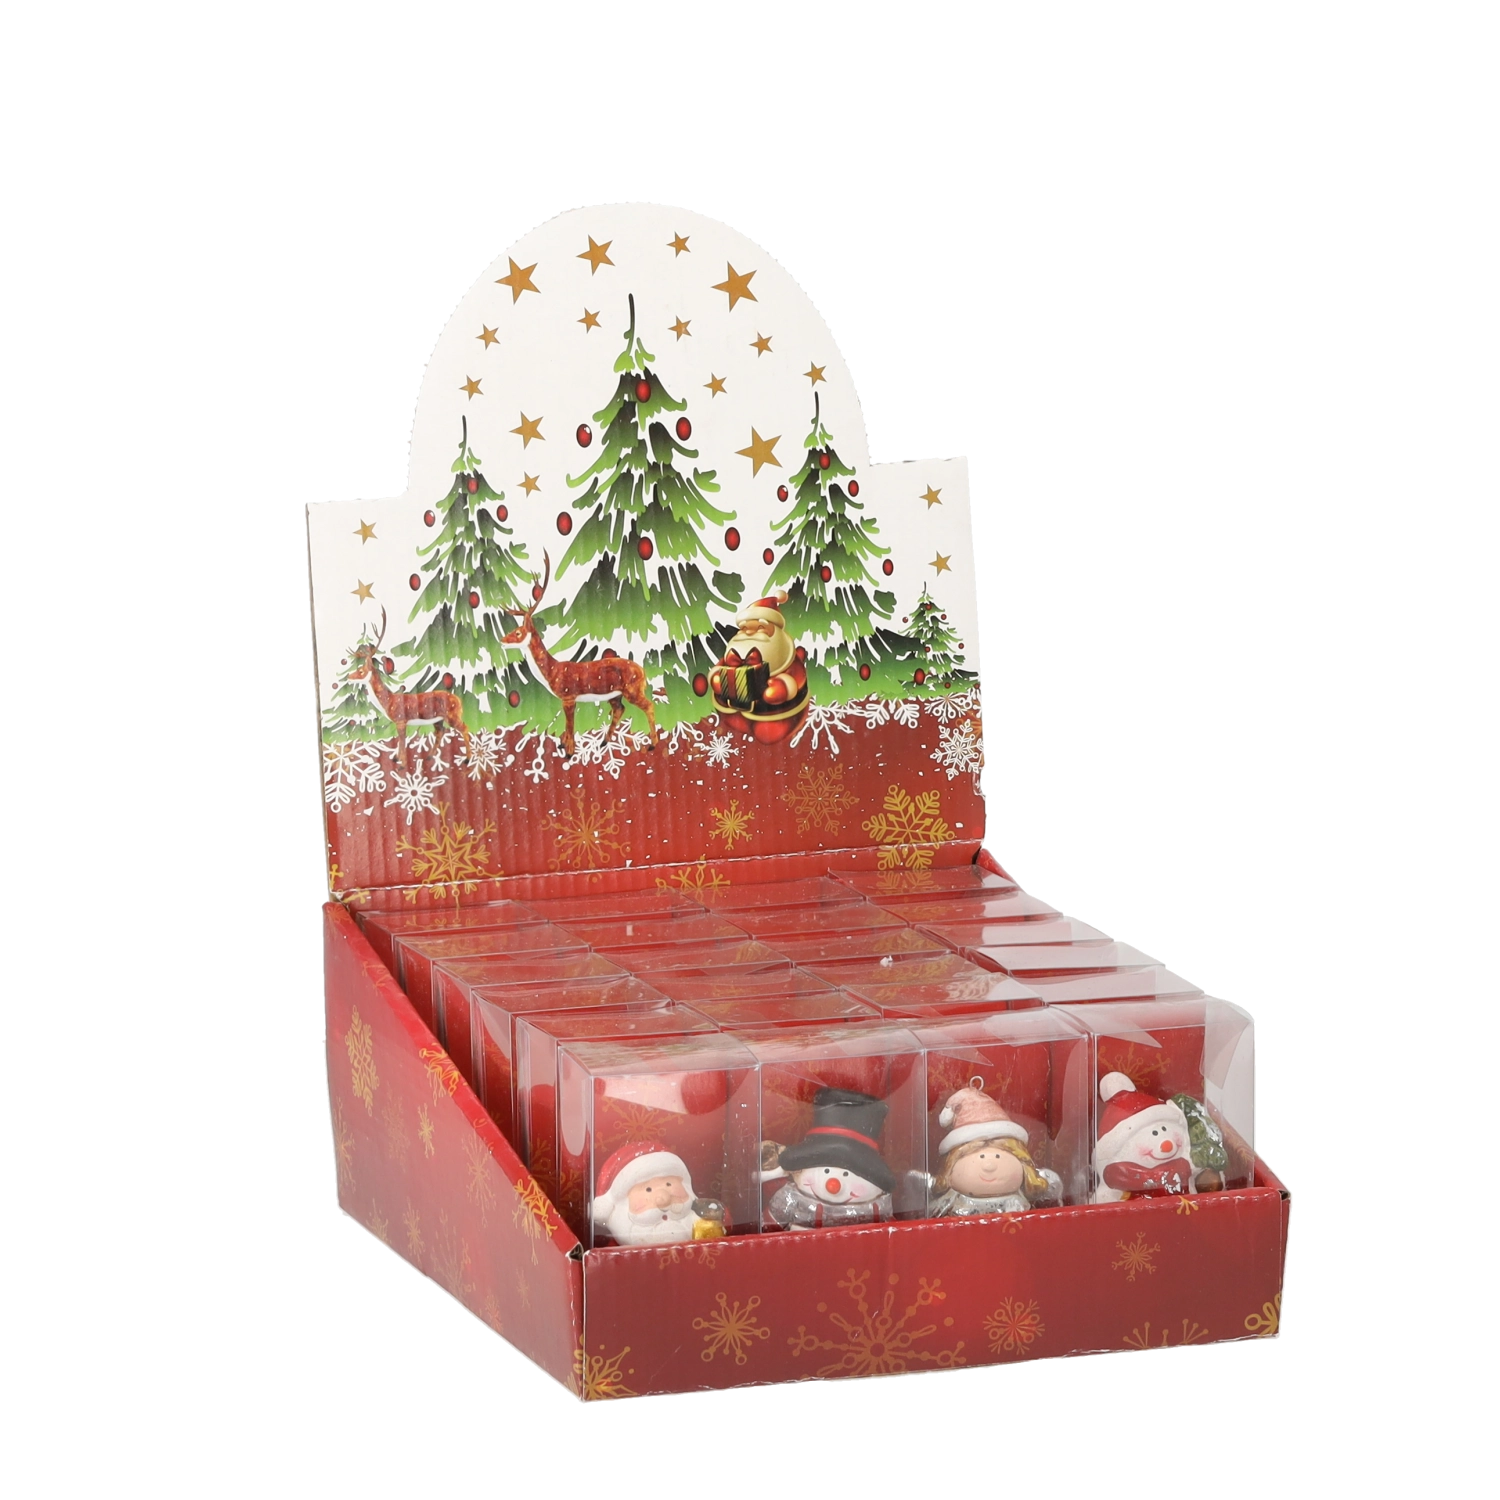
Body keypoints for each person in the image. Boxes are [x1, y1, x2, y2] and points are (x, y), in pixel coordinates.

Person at [710, 592, 808, 743]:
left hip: (771, 714)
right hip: (734, 711)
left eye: (760, 627)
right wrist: (718, 678)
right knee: (731, 722)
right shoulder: (733, 651)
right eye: (744, 628)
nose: (749, 632)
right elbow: (718, 669)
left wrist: (783, 687)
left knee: (768, 732)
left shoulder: (785, 654)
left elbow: (797, 676)